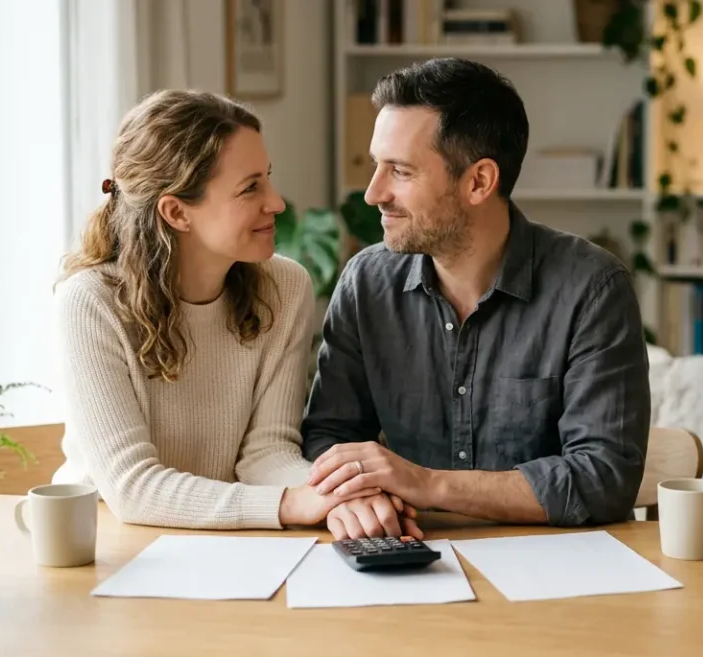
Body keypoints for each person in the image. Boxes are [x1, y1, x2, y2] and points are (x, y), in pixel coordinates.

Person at [301, 58, 651, 538]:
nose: (373, 193)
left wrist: (427, 484)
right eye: (376, 166)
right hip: (408, 556)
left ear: (479, 182)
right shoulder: (366, 283)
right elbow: (329, 436)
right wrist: (361, 497)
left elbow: (603, 478)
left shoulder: (592, 288)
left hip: (555, 575)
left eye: (400, 171)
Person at [53, 89, 419, 537]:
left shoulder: (284, 288)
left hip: (231, 540)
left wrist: (344, 496)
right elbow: (131, 487)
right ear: (176, 212)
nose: (277, 203)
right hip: (112, 544)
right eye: (250, 188)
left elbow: (267, 453)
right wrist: (292, 503)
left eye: (267, 177)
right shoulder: (90, 302)